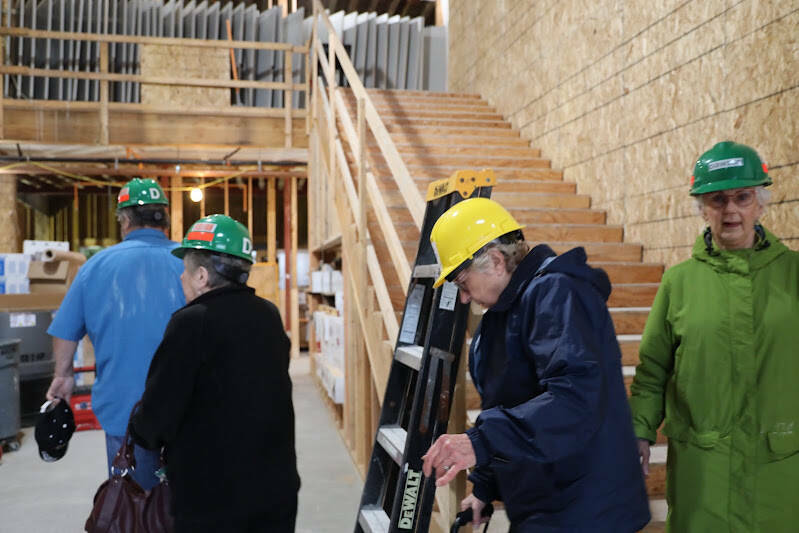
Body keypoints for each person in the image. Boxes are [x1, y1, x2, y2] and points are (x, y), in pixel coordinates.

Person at [421, 198, 650, 532]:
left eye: (462, 282)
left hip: (585, 507)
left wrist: (481, 442)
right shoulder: (501, 316)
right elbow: (508, 402)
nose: (464, 297)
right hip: (546, 501)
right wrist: (485, 486)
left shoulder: (558, 294)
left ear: (496, 261)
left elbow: (575, 400)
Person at [630, 141, 799, 532]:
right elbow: (653, 371)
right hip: (704, 476)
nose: (731, 210)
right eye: (718, 199)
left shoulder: (793, 275)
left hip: (781, 471)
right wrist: (639, 431)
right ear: (702, 208)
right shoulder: (679, 283)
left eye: (742, 197)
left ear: (760, 203)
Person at [129, 214, 300, 533]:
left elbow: (156, 419)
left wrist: (139, 429)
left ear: (202, 276)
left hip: (213, 504)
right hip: (276, 493)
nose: (181, 278)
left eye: (185, 271)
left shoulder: (192, 322)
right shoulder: (269, 315)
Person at [46, 178, 184, 490]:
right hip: (186, 409)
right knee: (188, 501)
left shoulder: (96, 267)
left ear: (124, 221)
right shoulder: (190, 264)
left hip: (125, 413)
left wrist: (63, 375)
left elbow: (66, 330)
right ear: (164, 218)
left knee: (132, 503)